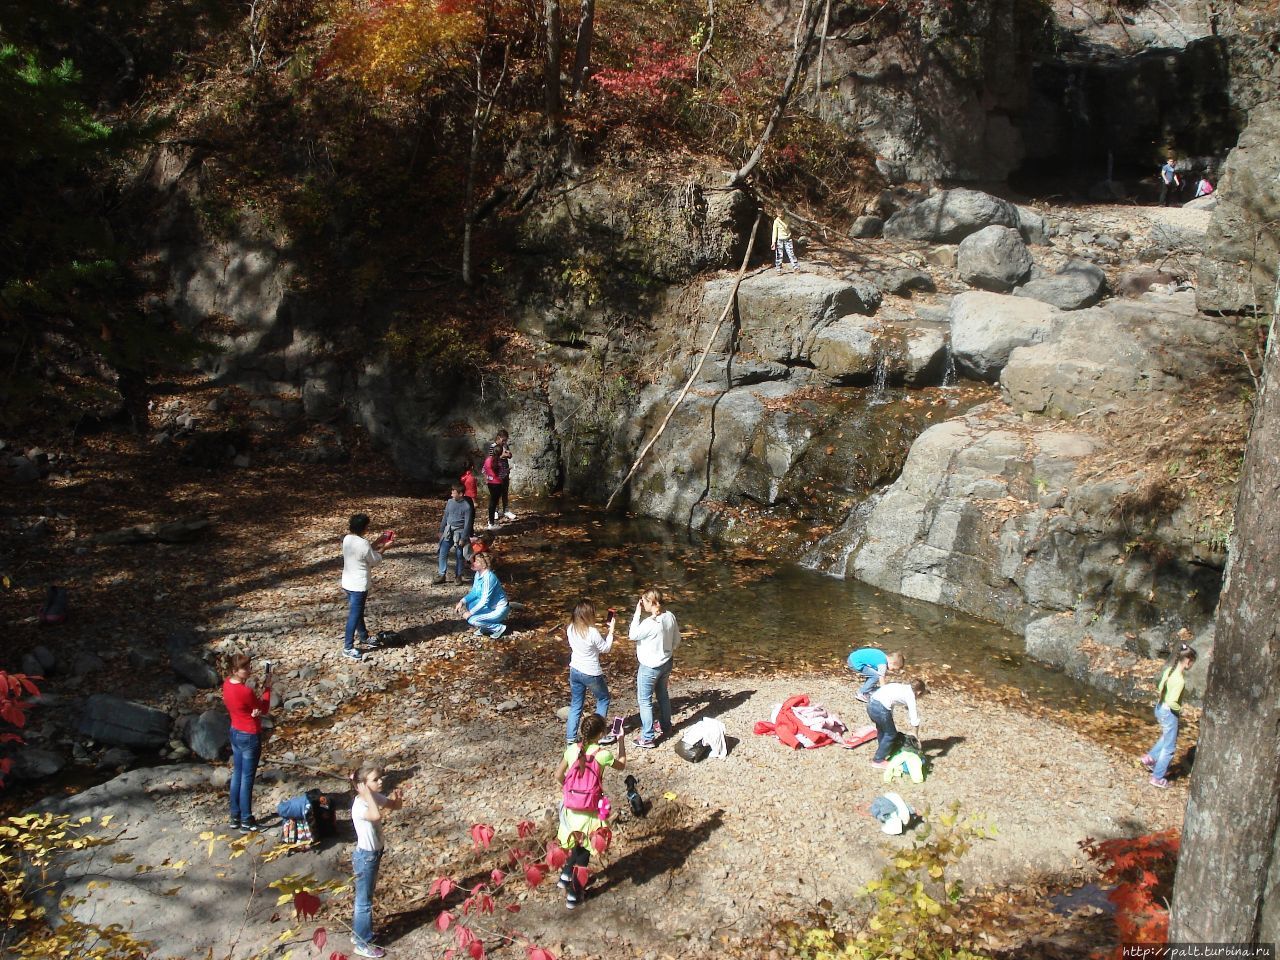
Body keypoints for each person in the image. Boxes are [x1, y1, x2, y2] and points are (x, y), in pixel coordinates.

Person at [554, 714, 625, 910]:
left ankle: (565, 876)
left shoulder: (571, 750)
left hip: (571, 810)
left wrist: (569, 791)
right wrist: (621, 741)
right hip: (590, 811)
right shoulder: (603, 755)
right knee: (584, 853)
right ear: (601, 734)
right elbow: (622, 764)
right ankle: (574, 895)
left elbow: (558, 775)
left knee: (575, 843)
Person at [349, 761, 405, 959]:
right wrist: (365, 795)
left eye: (380, 778)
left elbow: (393, 806)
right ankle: (362, 943)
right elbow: (375, 814)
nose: (381, 781)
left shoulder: (372, 797)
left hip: (374, 854)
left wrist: (398, 799)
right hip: (365, 857)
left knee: (366, 897)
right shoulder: (359, 805)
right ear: (362, 785)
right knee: (364, 902)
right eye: (375, 779)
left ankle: (359, 934)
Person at [222, 654, 271, 831]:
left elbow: (248, 706)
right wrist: (267, 689)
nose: (249, 670)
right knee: (247, 778)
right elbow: (263, 708)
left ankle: (234, 816)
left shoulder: (227, 684)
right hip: (249, 735)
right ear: (235, 671)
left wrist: (253, 710)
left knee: (237, 774)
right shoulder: (245, 691)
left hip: (235, 732)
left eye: (249, 666)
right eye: (245, 668)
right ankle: (246, 819)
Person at [1142, 641, 1197, 788]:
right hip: (1169, 712)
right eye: (1192, 663)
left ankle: (1151, 758)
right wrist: (1180, 709)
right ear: (1187, 662)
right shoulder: (1179, 681)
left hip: (1160, 707)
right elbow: (1173, 701)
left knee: (1166, 736)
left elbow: (1160, 687)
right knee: (1170, 748)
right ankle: (1157, 777)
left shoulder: (1169, 671)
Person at [630, 588, 679, 749]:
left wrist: (637, 613)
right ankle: (666, 726)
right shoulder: (670, 616)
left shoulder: (649, 623)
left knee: (645, 701)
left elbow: (632, 635)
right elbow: (677, 640)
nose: (641, 603)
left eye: (643, 601)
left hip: (649, 667)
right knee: (663, 695)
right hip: (666, 662)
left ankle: (648, 737)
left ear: (650, 602)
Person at [341, 514, 394, 662]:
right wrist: (384, 547)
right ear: (364, 527)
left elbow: (362, 552)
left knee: (357, 612)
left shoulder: (347, 539)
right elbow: (374, 560)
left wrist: (377, 541)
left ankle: (364, 636)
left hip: (347, 583)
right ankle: (348, 647)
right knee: (354, 615)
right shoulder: (362, 543)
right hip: (358, 585)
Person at [565, 600, 616, 745]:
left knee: (576, 705)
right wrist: (611, 631)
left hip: (575, 669)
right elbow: (605, 649)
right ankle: (599, 734)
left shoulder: (571, 628)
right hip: (591, 672)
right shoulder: (592, 632)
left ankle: (570, 738)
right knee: (603, 699)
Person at [867, 679, 926, 768]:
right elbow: (914, 719)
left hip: (871, 704)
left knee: (882, 730)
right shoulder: (910, 696)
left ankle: (883, 749)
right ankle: (878, 760)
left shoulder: (901, 687)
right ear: (918, 692)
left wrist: (888, 717)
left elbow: (888, 697)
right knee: (891, 734)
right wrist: (916, 735)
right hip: (881, 709)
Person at [454, 552, 509, 638]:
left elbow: (484, 601)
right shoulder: (478, 574)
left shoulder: (489, 578)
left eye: (477, 562)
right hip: (489, 606)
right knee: (470, 603)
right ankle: (486, 627)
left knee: (472, 620)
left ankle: (498, 628)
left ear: (484, 566)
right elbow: (474, 592)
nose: (473, 563)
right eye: (474, 561)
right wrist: (462, 601)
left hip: (499, 609)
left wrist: (470, 613)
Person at [434, 484, 474, 585]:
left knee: (459, 555)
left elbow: (468, 524)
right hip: (448, 531)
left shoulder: (467, 506)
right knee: (442, 552)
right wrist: (441, 530)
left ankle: (458, 576)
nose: (451, 493)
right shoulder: (450, 502)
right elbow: (445, 517)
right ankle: (442, 574)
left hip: (459, 533)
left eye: (454, 491)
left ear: (460, 494)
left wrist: (464, 538)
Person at [481, 431, 514, 529]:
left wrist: (508, 455)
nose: (504, 442)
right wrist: (508, 468)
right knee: (494, 498)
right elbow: (493, 461)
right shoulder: (493, 449)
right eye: (503, 440)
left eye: (505, 441)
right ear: (499, 438)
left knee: (503, 493)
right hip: (497, 476)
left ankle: (505, 510)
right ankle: (494, 513)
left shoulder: (505, 446)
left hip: (500, 474)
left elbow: (484, 468)